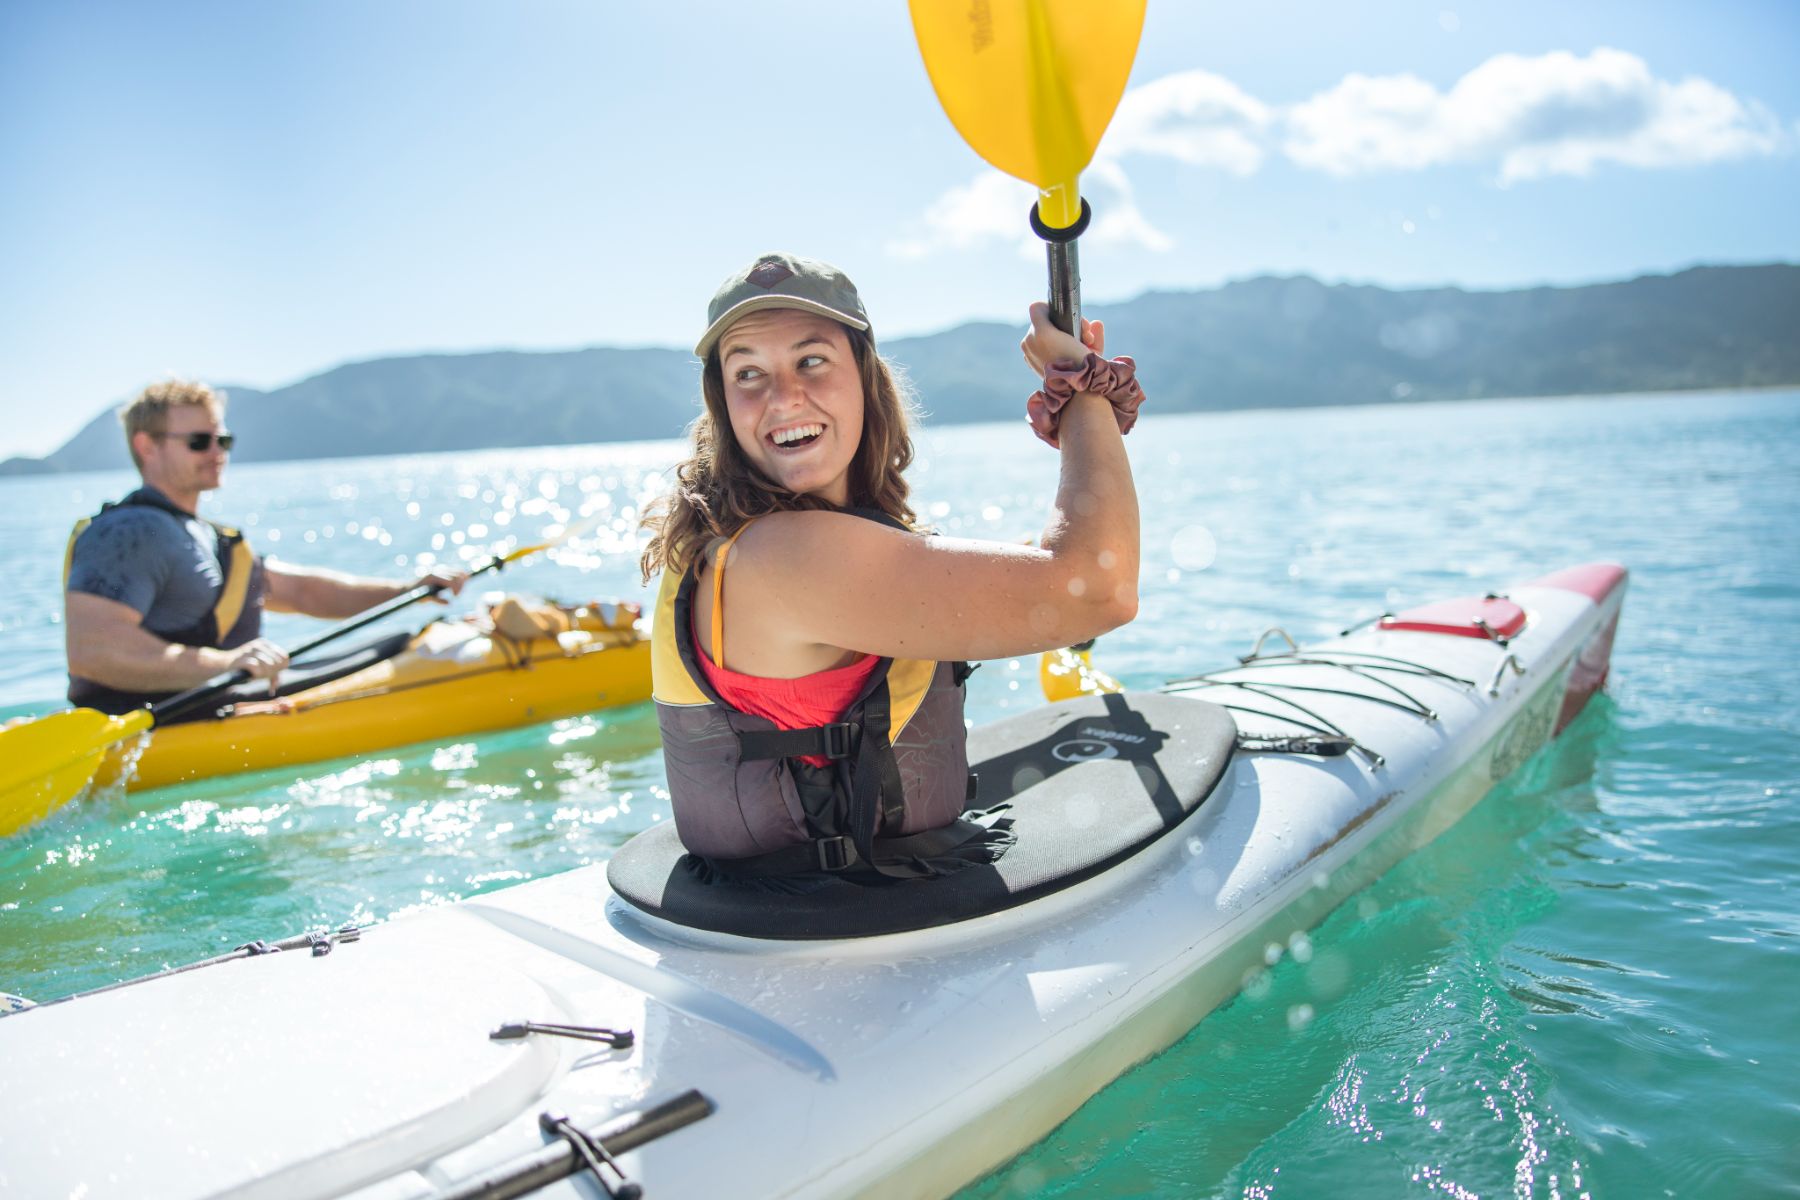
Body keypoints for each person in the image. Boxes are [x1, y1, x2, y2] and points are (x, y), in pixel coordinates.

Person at [641, 252, 1144, 883]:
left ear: (864, 378)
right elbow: (1101, 589)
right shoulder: (784, 557)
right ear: (724, 405)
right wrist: (1084, 395)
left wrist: (1033, 572)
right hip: (833, 932)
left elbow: (955, 585)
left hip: (827, 903)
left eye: (812, 360)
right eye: (748, 373)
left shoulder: (757, 538)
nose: (783, 398)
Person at [63, 379, 467, 714]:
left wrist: (408, 590)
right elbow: (94, 650)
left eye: (223, 439)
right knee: (403, 647)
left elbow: (301, 591)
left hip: (220, 703)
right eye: (200, 441)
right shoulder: (130, 533)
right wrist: (229, 664)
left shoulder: (202, 535)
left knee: (401, 640)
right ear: (147, 447)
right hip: (162, 721)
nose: (217, 452)